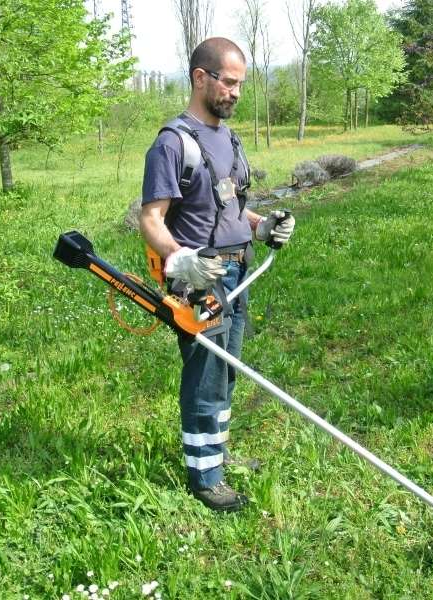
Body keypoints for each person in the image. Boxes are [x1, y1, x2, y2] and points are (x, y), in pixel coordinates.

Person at [139, 37, 295, 512]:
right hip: (199, 279)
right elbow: (151, 218)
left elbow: (231, 208)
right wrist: (177, 257)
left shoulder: (228, 140)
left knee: (228, 371)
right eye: (228, 82)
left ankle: (217, 452)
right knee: (205, 375)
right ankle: (204, 475)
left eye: (240, 85)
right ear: (200, 78)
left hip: (238, 274)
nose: (235, 93)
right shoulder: (173, 143)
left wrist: (262, 226)